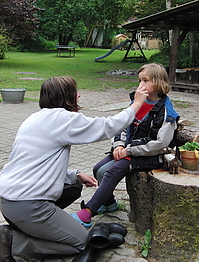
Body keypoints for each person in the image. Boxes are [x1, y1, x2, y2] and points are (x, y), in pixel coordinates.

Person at [0, 76, 148, 262]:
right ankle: (13, 241)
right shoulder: (63, 119)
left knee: (73, 187)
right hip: (27, 204)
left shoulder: (35, 118)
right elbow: (107, 127)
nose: (78, 95)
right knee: (80, 243)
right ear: (65, 97)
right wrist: (136, 104)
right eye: (73, 92)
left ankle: (39, 227)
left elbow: (36, 163)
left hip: (7, 199)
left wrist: (75, 175)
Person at [72, 63, 180, 227]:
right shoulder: (137, 103)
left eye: (145, 81)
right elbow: (122, 125)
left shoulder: (165, 112)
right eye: (139, 81)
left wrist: (127, 150)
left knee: (112, 171)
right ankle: (109, 203)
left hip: (152, 156)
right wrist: (118, 146)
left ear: (159, 82)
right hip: (128, 150)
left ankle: (88, 212)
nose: (140, 85)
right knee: (98, 169)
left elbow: (157, 144)